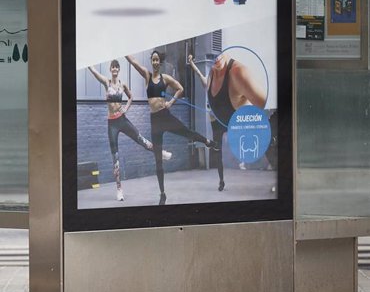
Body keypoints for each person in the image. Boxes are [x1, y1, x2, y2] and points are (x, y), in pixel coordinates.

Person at [126, 52, 217, 205]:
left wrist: (171, 102)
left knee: (187, 132)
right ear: (151, 62)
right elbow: (134, 62)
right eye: (153, 59)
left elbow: (180, 88)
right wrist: (123, 51)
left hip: (165, 116)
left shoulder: (165, 78)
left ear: (159, 62)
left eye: (157, 60)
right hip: (154, 120)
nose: (155, 62)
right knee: (158, 160)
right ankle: (162, 193)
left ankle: (207, 141)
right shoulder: (147, 76)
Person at [88, 60, 171, 202]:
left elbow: (131, 96)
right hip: (112, 124)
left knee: (140, 139)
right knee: (116, 158)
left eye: (116, 67)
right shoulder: (106, 82)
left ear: (119, 70)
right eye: (112, 67)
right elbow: (95, 72)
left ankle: (160, 152)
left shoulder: (122, 84)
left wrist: (126, 108)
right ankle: (119, 190)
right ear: (110, 69)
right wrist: (87, 61)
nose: (114, 69)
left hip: (122, 119)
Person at [188, 52, 266, 191]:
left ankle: (245, 159)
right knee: (218, 152)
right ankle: (221, 180)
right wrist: (193, 64)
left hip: (230, 118)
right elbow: (200, 75)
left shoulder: (232, 75)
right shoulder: (209, 82)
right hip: (216, 122)